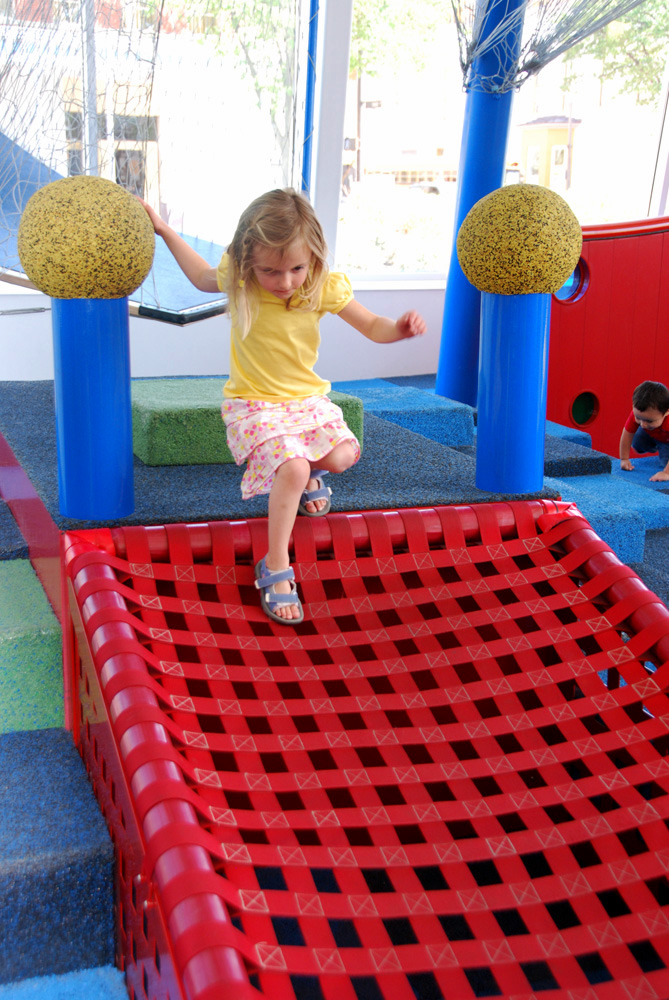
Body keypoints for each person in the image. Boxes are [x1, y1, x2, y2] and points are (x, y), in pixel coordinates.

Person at [140, 188, 426, 625]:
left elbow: (372, 325)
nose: (286, 281)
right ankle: (275, 567)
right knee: (292, 468)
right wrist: (163, 230)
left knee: (343, 455)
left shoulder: (321, 287)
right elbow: (199, 276)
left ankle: (311, 473)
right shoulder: (240, 279)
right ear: (248, 259)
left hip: (305, 402)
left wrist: (399, 328)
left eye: (296, 267)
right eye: (271, 270)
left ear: (313, 256)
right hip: (253, 405)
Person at [619, 380, 669, 482]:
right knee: (638, 438)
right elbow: (627, 434)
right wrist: (624, 459)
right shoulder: (638, 414)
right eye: (639, 418)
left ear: (666, 412)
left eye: (649, 421)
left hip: (666, 440)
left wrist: (666, 472)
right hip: (656, 434)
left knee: (665, 463)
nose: (643, 423)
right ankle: (657, 446)